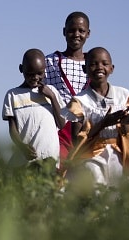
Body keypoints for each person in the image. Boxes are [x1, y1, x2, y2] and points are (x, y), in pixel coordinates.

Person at [64, 47, 129, 189]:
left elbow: (127, 134)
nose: (99, 67)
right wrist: (103, 123)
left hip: (117, 154)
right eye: (93, 64)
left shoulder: (122, 95)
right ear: (85, 69)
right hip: (90, 156)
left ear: (112, 68)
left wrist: (125, 124)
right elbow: (76, 139)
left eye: (104, 63)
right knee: (96, 188)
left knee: (116, 193)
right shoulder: (80, 101)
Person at [2, 48, 65, 169]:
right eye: (30, 74)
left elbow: (61, 124)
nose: (35, 77)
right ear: (21, 69)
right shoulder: (13, 95)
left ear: (45, 70)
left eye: (39, 73)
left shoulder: (51, 92)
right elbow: (12, 128)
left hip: (49, 159)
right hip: (25, 162)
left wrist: (52, 97)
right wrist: (21, 146)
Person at [45, 11, 91, 167]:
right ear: (64, 32)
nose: (76, 34)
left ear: (88, 33)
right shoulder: (50, 61)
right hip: (59, 130)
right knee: (60, 177)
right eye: (71, 30)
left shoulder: (95, 63)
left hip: (88, 131)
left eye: (81, 31)